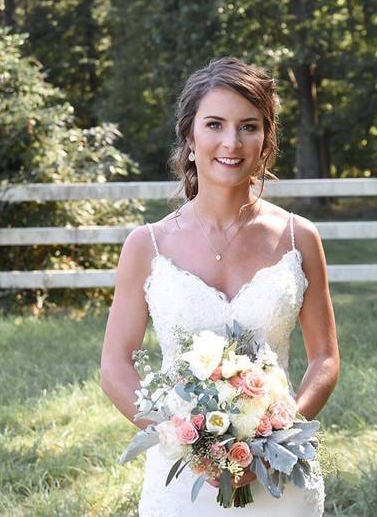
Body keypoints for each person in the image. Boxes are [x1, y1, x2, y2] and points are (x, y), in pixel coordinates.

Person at [100, 57, 340, 516]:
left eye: (248, 126)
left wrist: (278, 431)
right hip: (182, 475)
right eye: (215, 124)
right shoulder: (146, 245)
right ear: (190, 136)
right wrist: (185, 441)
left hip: (280, 476)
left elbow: (325, 359)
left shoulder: (299, 237)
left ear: (266, 140)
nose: (232, 142)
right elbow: (114, 366)